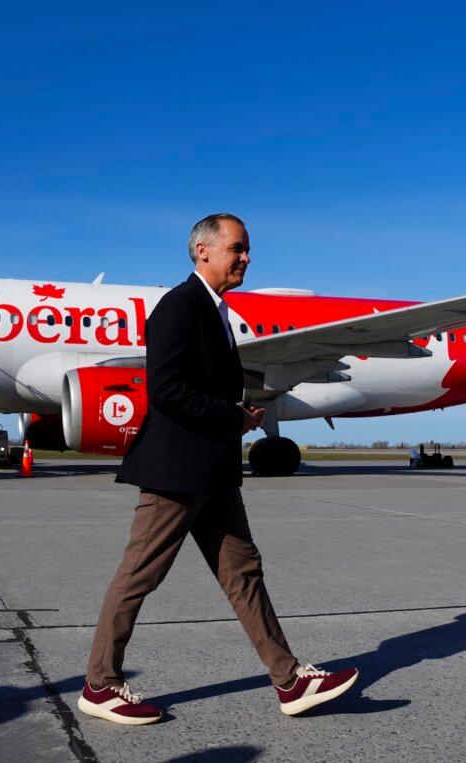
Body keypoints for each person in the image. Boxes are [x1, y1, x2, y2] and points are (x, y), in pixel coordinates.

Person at [78, 214, 358, 726]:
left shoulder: (216, 310)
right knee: (140, 574)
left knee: (243, 572)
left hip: (213, 470)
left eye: (247, 249)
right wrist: (233, 416)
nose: (247, 257)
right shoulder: (178, 306)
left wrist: (237, 415)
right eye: (238, 248)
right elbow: (168, 392)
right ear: (203, 250)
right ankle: (100, 685)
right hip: (177, 472)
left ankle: (290, 680)